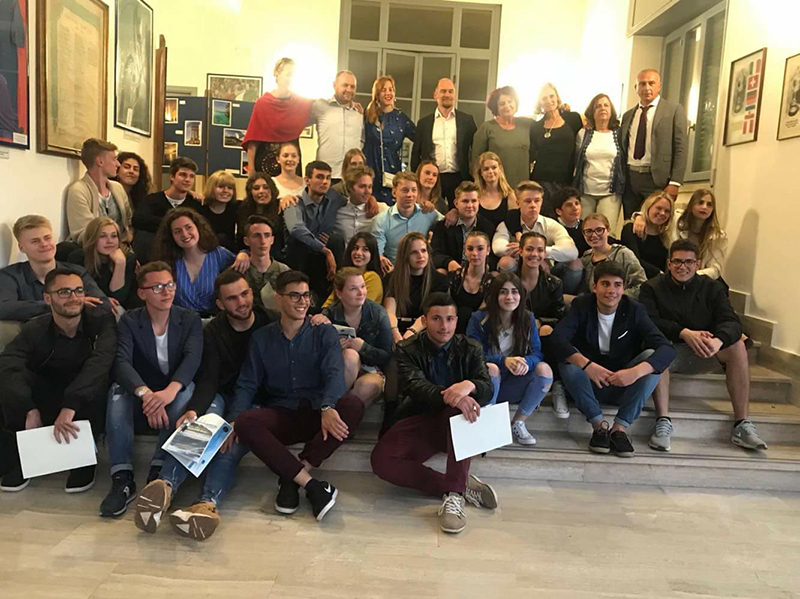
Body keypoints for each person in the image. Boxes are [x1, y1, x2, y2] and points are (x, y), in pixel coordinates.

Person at [132, 270, 278, 540]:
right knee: (201, 427)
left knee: (230, 442)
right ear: (220, 304)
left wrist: (237, 420)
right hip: (221, 394)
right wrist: (193, 410)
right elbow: (209, 378)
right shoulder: (213, 331)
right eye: (232, 298)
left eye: (245, 294)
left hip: (259, 400)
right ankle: (164, 487)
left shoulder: (271, 322)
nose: (242, 302)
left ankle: (207, 504)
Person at [231, 271, 366, 521]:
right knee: (245, 421)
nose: (303, 301)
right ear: (278, 299)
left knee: (353, 405)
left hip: (317, 412)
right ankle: (311, 485)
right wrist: (234, 419)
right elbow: (247, 384)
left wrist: (328, 406)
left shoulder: (323, 332)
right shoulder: (262, 338)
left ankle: (292, 478)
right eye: (295, 296)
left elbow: (334, 373)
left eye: (306, 295)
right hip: (282, 413)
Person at [371, 292, 497, 534]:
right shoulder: (407, 349)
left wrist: (469, 385)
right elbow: (416, 387)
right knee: (381, 461)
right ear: (424, 320)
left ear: (457, 321)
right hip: (419, 418)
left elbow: (487, 388)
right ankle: (458, 485)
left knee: (458, 410)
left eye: (450, 319)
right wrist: (454, 396)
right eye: (436, 318)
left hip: (458, 424)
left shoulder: (471, 347)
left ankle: (454, 496)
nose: (444, 326)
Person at [639, 239, 766, 452]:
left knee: (736, 346)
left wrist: (718, 340)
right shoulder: (651, 287)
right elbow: (648, 321)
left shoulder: (713, 288)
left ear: (698, 264)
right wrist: (684, 332)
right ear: (669, 264)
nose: (682, 267)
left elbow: (732, 322)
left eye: (689, 262)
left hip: (705, 351)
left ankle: (742, 424)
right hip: (669, 352)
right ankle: (663, 422)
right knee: (657, 349)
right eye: (677, 261)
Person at [100, 262, 202, 517]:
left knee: (185, 392)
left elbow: (192, 358)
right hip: (142, 389)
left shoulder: (189, 318)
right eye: (157, 287)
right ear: (142, 293)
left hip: (173, 387)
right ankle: (122, 478)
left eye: (170, 285)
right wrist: (146, 394)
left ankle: (159, 469)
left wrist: (168, 393)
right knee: (117, 392)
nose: (166, 292)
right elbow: (121, 361)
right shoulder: (130, 320)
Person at [0, 269, 116, 492]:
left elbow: (100, 363)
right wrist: (28, 408)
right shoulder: (36, 328)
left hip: (87, 396)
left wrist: (70, 406)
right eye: (64, 292)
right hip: (48, 393)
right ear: (47, 298)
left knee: (96, 379)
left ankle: (83, 459)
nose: (74, 297)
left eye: (78, 290)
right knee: (10, 376)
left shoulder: (101, 321)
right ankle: (21, 457)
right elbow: (8, 362)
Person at [550, 261, 675, 457]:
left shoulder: (634, 309)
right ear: (594, 286)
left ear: (624, 288)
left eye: (617, 285)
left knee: (652, 359)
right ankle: (599, 427)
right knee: (569, 358)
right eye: (605, 284)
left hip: (622, 383)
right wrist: (587, 365)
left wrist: (635, 372)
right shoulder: (582, 305)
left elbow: (667, 349)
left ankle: (619, 429)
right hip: (587, 384)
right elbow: (557, 339)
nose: (611, 290)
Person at [467, 273, 553, 446]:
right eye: (503, 292)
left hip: (512, 382)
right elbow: (472, 354)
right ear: (495, 295)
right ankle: (487, 422)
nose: (509, 297)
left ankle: (518, 422)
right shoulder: (479, 319)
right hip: (485, 384)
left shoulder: (527, 318)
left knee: (544, 369)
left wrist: (525, 363)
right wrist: (504, 361)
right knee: (492, 368)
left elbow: (537, 353)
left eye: (514, 292)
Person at [0, 215, 108, 323]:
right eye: (35, 241)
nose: (44, 244)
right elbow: (4, 307)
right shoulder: (9, 276)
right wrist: (57, 304)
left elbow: (103, 304)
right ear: (21, 248)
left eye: (47, 238)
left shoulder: (77, 272)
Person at [318, 268, 393, 407]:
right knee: (350, 356)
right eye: (353, 289)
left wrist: (363, 348)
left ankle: (334, 410)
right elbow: (317, 356)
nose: (361, 293)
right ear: (339, 293)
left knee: (366, 387)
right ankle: (332, 410)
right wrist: (335, 349)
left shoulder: (378, 313)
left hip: (371, 369)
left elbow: (386, 356)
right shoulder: (329, 314)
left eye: (363, 286)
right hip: (340, 369)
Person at [620, 68, 688, 218]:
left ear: (659, 86)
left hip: (657, 179)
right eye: (642, 84)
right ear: (636, 87)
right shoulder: (628, 115)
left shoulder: (674, 110)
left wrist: (675, 182)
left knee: (655, 223)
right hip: (630, 179)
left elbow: (681, 148)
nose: (647, 88)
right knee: (631, 223)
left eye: (651, 83)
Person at [517, 232, 568, 417]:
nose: (534, 254)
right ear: (521, 251)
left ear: (545, 253)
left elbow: (559, 316)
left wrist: (540, 322)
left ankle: (557, 385)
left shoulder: (554, 283)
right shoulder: (509, 280)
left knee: (550, 331)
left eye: (539, 250)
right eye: (529, 249)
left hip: (541, 331)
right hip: (514, 328)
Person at [491, 182, 578, 287]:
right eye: (527, 201)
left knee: (576, 263)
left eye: (537, 201)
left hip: (547, 273)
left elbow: (572, 252)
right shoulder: (506, 224)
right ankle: (512, 293)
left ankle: (563, 294)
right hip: (518, 272)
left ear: (542, 202)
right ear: (518, 203)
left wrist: (540, 252)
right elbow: (498, 248)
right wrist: (527, 253)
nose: (533, 205)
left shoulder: (551, 224)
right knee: (506, 262)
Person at [282, 161, 347, 301]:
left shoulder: (334, 199)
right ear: (307, 180)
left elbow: (356, 197)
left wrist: (371, 200)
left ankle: (337, 295)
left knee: (336, 240)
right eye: (319, 177)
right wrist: (325, 250)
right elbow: (296, 229)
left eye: (328, 178)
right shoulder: (293, 203)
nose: (325, 182)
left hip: (321, 261)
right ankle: (297, 295)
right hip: (300, 258)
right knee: (297, 242)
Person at [153, 208, 237, 317]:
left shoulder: (218, 254)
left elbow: (242, 266)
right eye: (177, 231)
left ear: (198, 228)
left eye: (188, 227)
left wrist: (243, 254)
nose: (184, 234)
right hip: (181, 322)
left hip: (215, 321)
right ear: (171, 237)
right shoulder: (167, 261)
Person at [411, 78, 477, 205]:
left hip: (460, 177)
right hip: (433, 179)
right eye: (443, 91)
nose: (447, 95)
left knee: (459, 213)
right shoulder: (424, 123)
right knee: (431, 212)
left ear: (455, 95)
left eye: (450, 91)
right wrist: (416, 180)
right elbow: (415, 154)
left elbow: (475, 149)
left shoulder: (467, 121)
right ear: (435, 95)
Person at [243, 58, 311, 176]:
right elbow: (252, 141)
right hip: (266, 165)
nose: (290, 79)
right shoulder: (263, 104)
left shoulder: (300, 103)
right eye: (288, 74)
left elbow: (321, 106)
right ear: (277, 73)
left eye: (293, 75)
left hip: (291, 163)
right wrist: (252, 171)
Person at [529, 83, 584, 218]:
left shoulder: (573, 119)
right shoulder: (536, 127)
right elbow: (532, 154)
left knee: (565, 219)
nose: (549, 101)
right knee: (544, 219)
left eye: (551, 96)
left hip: (566, 181)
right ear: (540, 103)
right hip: (542, 181)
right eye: (544, 98)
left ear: (557, 97)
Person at [383, 232, 449, 343]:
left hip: (426, 333)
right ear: (405, 256)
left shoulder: (439, 280)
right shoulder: (391, 278)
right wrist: (395, 333)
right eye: (414, 252)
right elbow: (389, 311)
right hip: (396, 331)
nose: (420, 256)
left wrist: (410, 334)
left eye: (423, 251)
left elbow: (432, 313)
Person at [133, 157, 202, 262]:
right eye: (183, 175)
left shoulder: (195, 204)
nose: (188, 179)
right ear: (172, 177)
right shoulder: (152, 200)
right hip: (157, 252)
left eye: (191, 176)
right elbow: (138, 220)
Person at [66, 138, 133, 245]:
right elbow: (84, 234)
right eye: (114, 159)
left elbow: (129, 221)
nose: (118, 164)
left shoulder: (118, 188)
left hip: (122, 247)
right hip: (94, 250)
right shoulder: (78, 190)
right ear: (100, 161)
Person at [574, 93, 625, 233]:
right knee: (584, 232)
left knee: (607, 233)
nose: (603, 108)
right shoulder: (583, 133)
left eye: (606, 105)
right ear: (592, 112)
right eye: (598, 106)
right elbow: (576, 161)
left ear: (611, 110)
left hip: (610, 193)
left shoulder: (619, 134)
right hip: (585, 192)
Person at [371, 171, 443, 266]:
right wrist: (381, 259)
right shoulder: (381, 220)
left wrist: (453, 213)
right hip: (395, 270)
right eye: (405, 190)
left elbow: (448, 221)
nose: (410, 195)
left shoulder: (427, 212)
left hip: (423, 269)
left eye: (414, 190)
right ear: (394, 192)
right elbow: (378, 253)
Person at [363, 76, 415, 205]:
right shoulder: (367, 114)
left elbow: (420, 138)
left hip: (392, 169)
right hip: (370, 167)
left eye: (390, 89)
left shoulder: (401, 118)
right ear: (377, 94)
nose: (388, 93)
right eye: (383, 90)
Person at [70, 217, 138, 310]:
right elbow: (74, 290)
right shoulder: (78, 257)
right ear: (92, 238)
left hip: (117, 308)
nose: (109, 241)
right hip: (87, 303)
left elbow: (118, 298)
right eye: (102, 236)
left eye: (114, 236)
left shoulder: (128, 258)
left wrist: (120, 264)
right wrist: (103, 299)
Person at [308, 70, 365, 181]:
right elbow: (298, 124)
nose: (349, 89)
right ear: (335, 85)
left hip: (352, 177)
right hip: (326, 175)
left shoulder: (359, 113)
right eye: (345, 85)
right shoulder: (320, 106)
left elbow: (362, 140)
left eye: (352, 86)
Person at [472, 86, 533, 188]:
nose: (507, 106)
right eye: (502, 104)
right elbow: (476, 161)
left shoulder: (527, 124)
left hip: (523, 187)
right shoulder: (486, 128)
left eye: (510, 101)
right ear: (496, 107)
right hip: (495, 188)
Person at [431, 181, 495, 273]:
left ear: (479, 202)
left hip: (479, 272)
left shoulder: (487, 227)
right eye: (465, 201)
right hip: (452, 272)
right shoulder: (444, 226)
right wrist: (449, 262)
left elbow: (493, 256)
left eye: (473, 201)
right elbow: (435, 254)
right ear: (456, 203)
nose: (470, 205)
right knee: (440, 272)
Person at [579, 213, 647, 298]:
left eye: (599, 230)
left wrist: (615, 297)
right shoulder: (586, 259)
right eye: (588, 231)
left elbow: (642, 285)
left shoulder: (623, 254)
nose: (594, 235)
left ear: (608, 231)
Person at [670, 189, 728, 281]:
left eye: (709, 205)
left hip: (702, 279)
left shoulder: (719, 236)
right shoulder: (676, 221)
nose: (704, 207)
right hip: (675, 275)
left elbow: (715, 269)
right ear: (691, 205)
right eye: (700, 203)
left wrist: (691, 274)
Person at [239, 215, 290, 311]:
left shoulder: (284, 271)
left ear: (272, 240)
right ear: (246, 241)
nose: (262, 241)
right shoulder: (238, 272)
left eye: (267, 235)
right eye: (257, 236)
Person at [448, 231, 493, 334]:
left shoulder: (492, 283)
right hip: (452, 330)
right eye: (470, 249)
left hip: (477, 332)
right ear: (465, 251)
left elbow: (483, 317)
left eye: (480, 249)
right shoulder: (454, 277)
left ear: (488, 250)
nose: (475, 253)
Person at [322, 232, 384, 308]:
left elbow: (360, 308)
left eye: (365, 249)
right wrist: (323, 314)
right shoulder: (344, 275)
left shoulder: (373, 277)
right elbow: (328, 304)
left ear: (372, 254)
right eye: (355, 248)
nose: (358, 253)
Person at [620, 191, 673, 279]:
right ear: (648, 208)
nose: (662, 213)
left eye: (667, 211)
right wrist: (658, 273)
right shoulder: (630, 229)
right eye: (659, 208)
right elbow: (633, 260)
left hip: (659, 281)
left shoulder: (665, 236)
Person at [333, 164, 384, 246]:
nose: (367, 191)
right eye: (362, 186)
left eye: (370, 187)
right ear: (350, 187)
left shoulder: (381, 209)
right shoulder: (337, 210)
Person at [236, 171, 283, 253]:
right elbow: (240, 240)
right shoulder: (243, 209)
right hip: (249, 254)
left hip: (276, 255)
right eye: (256, 188)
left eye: (266, 187)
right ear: (250, 192)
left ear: (272, 190)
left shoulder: (280, 206)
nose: (261, 191)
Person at [473, 151, 518, 233]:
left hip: (503, 238)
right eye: (486, 169)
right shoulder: (475, 195)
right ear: (480, 173)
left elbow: (514, 225)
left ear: (500, 169)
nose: (490, 171)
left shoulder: (510, 196)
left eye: (494, 167)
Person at [200, 170, 239, 251]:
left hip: (228, 253)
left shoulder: (236, 207)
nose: (226, 191)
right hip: (204, 251)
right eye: (221, 187)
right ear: (211, 188)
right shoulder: (200, 207)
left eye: (230, 188)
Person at [553, 186, 591, 257]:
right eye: (569, 205)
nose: (575, 208)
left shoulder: (586, 226)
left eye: (577, 203)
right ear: (559, 211)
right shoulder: (552, 228)